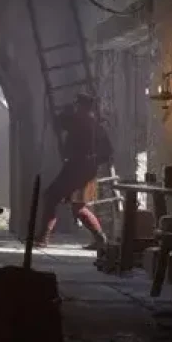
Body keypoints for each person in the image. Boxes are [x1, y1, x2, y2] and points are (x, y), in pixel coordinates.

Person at [36, 92, 112, 250]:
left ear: (83, 107)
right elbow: (107, 152)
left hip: (78, 170)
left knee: (52, 197)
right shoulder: (93, 125)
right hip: (82, 169)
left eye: (78, 106)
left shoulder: (83, 122)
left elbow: (60, 122)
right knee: (77, 206)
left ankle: (43, 237)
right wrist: (93, 161)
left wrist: (66, 111)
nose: (77, 109)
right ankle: (100, 239)